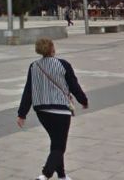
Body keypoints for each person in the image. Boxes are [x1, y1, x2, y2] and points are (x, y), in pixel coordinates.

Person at [17, 38, 88, 180]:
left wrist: (22, 114)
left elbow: (28, 91)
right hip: (60, 110)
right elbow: (74, 86)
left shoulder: (34, 66)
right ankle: (45, 175)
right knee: (59, 146)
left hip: (42, 111)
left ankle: (62, 175)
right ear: (52, 48)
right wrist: (83, 100)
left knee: (56, 142)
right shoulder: (63, 64)